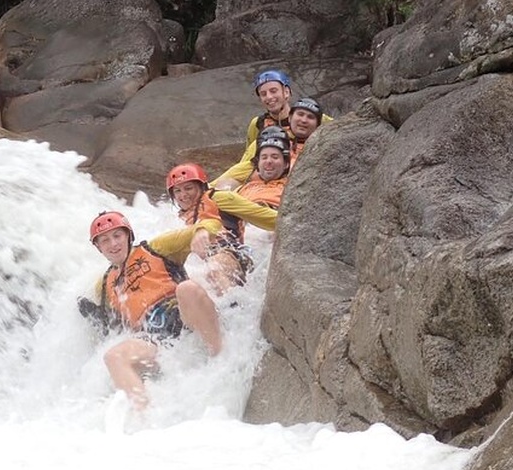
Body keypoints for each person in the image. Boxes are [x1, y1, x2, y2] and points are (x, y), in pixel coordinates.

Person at [78, 210, 223, 410]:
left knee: (187, 288)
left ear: (128, 235)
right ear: (98, 247)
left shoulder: (156, 248)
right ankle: (142, 418)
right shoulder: (103, 285)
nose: (113, 244)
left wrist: (201, 233)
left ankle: (221, 359)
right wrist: (94, 316)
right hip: (155, 338)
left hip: (184, 316)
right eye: (105, 240)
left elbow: (212, 224)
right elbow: (113, 329)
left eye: (117, 236)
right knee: (113, 357)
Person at [166, 163, 277, 293]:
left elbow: (264, 216)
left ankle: (232, 309)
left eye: (188, 188)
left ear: (201, 187)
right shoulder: (180, 216)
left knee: (214, 269)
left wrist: (288, 223)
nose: (183, 195)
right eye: (177, 191)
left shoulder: (220, 198)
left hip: (233, 253)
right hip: (203, 261)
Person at [214, 96, 330, 190]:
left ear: (317, 125)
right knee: (224, 185)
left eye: (310, 117)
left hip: (286, 198)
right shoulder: (270, 139)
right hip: (254, 191)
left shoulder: (320, 148)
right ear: (290, 118)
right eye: (300, 114)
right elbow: (242, 168)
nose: (303, 120)